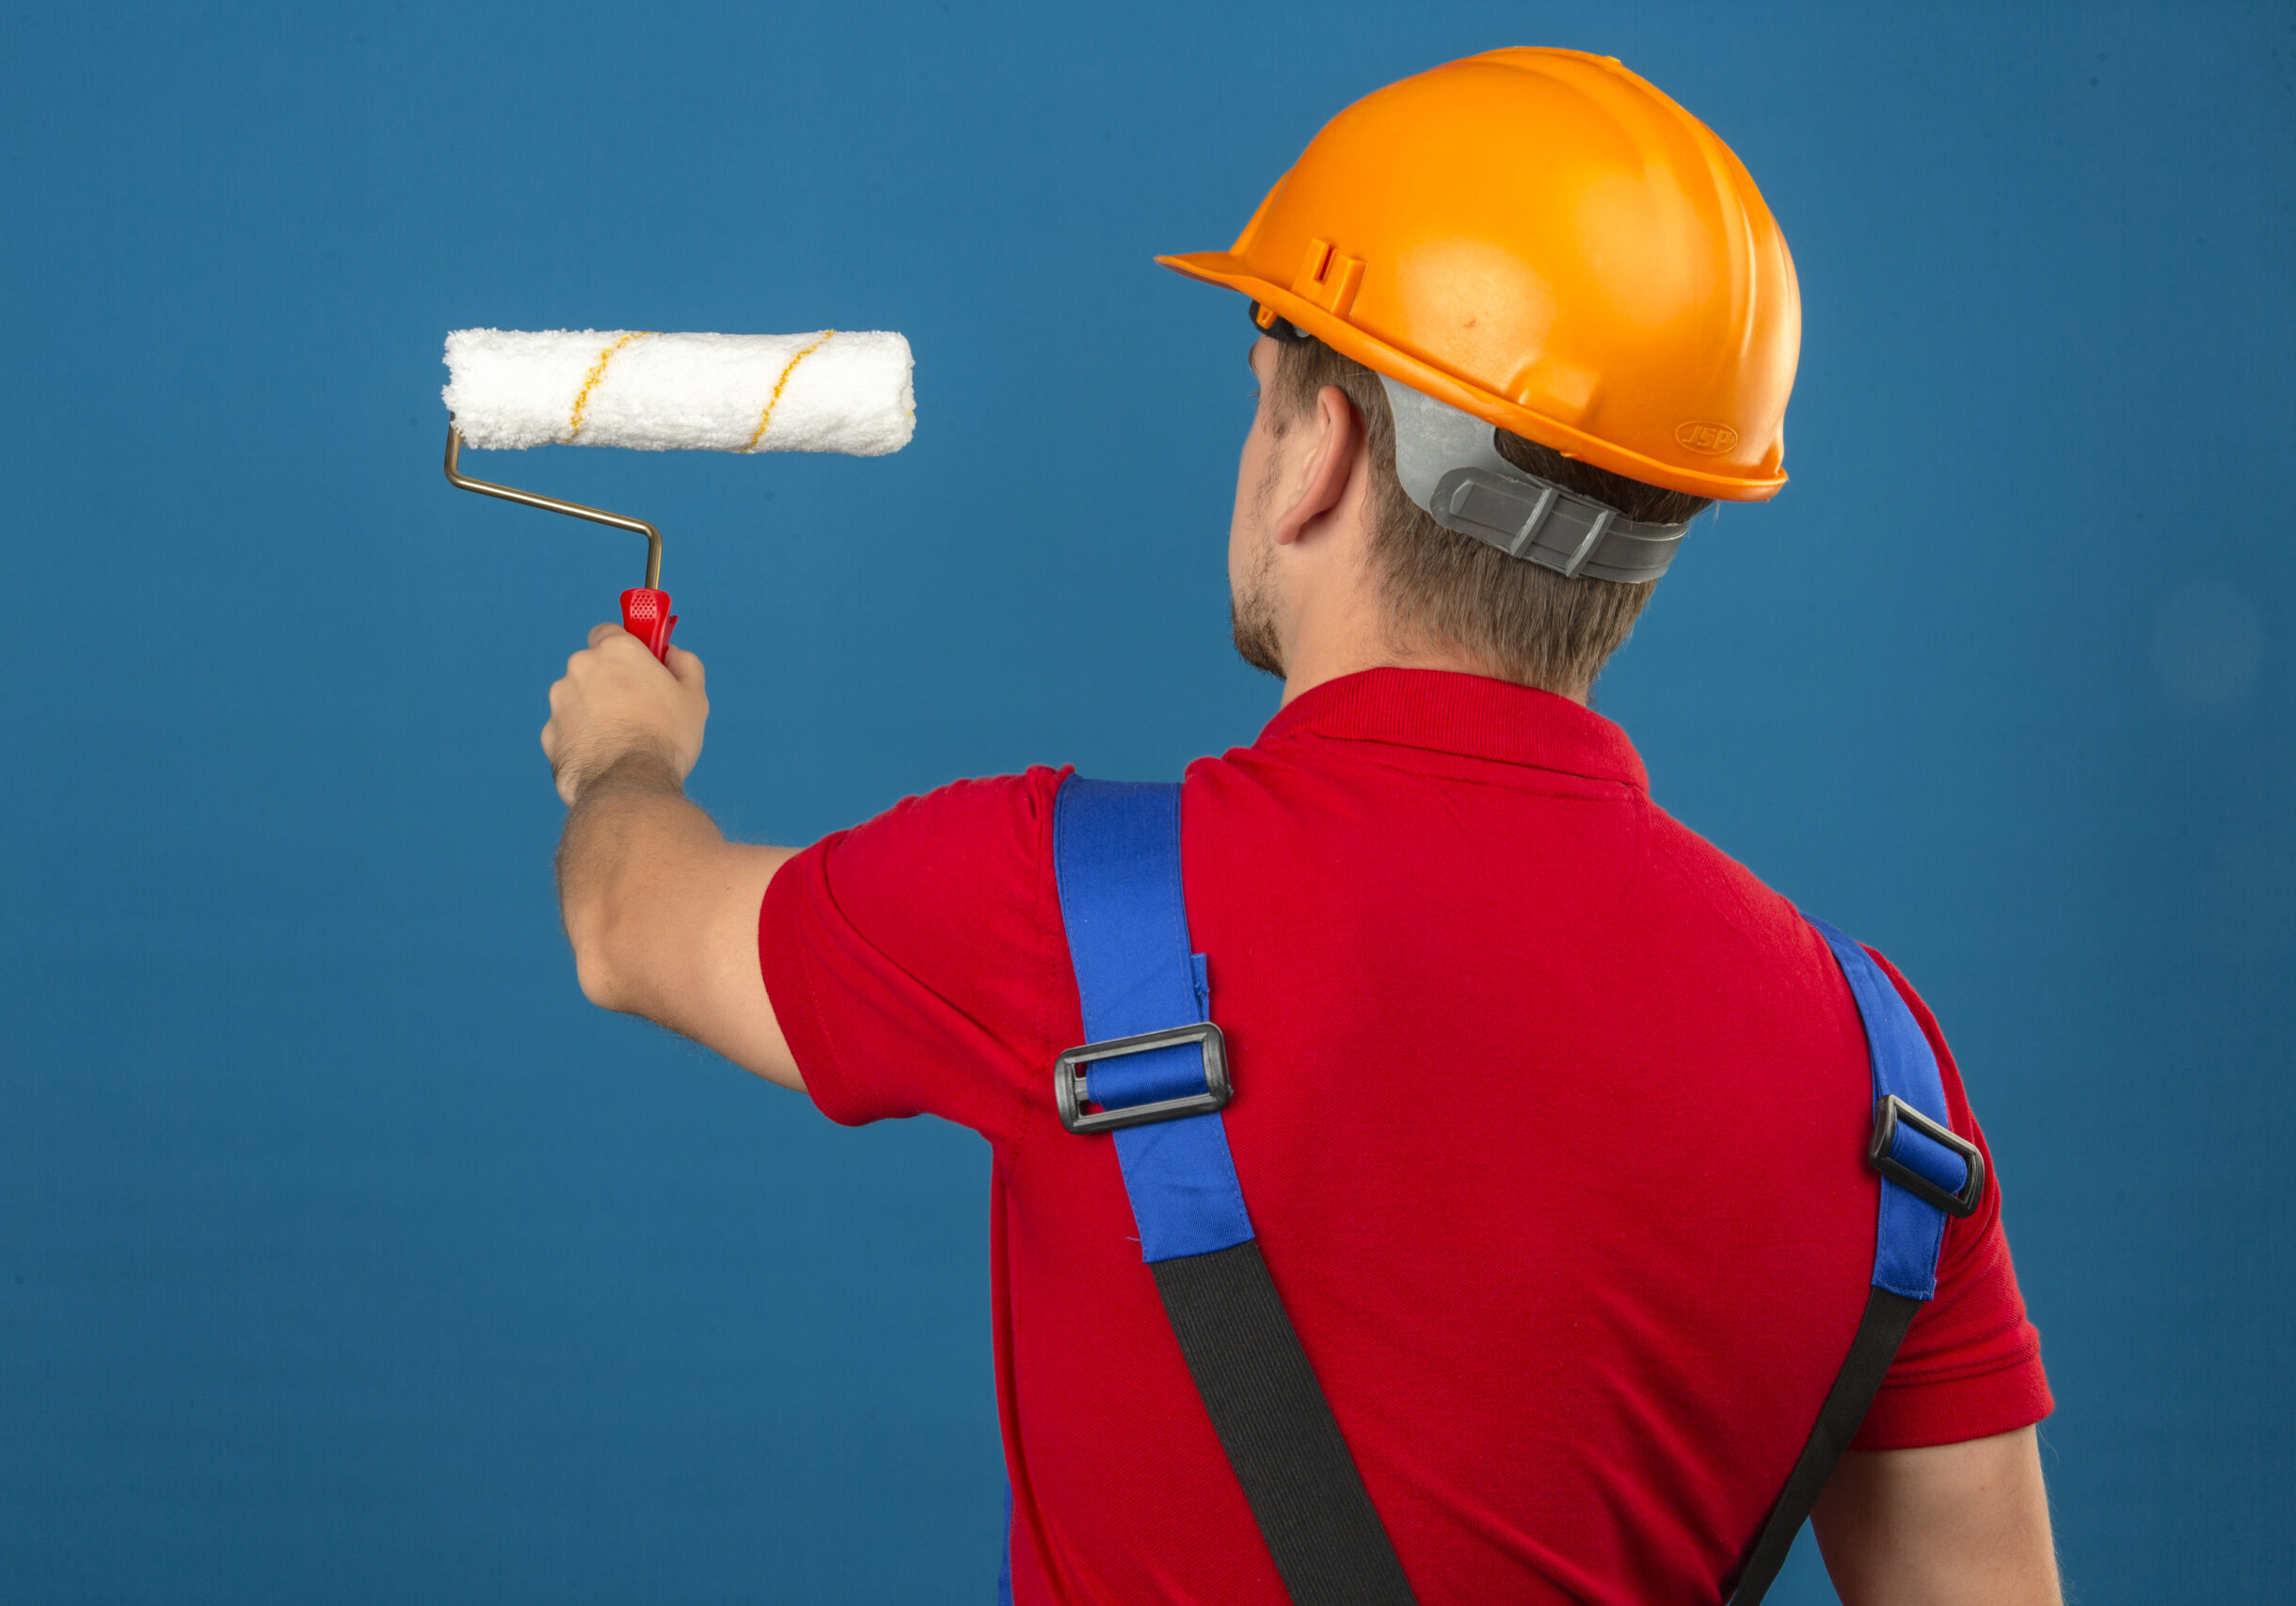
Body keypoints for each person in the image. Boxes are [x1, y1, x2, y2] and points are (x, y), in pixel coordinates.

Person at [536, 47, 2061, 1606]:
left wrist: (629, 756)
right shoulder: (1890, 1094)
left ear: (1321, 449)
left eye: (1261, 400)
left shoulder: (1056, 907)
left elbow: (626, 922)